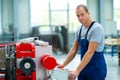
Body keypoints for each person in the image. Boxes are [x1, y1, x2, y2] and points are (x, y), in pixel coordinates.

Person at [57, 4, 107, 80]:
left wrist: (77, 70)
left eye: (82, 14)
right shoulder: (79, 29)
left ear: (88, 13)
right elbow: (73, 50)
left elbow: (90, 52)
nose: (80, 18)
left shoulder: (97, 28)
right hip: (83, 67)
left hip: (96, 69)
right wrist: (63, 65)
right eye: (78, 16)